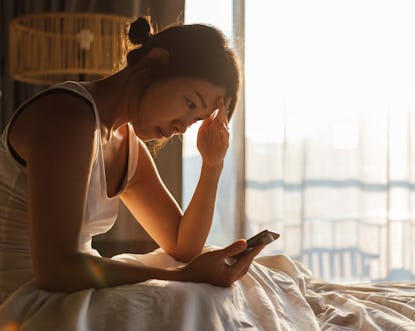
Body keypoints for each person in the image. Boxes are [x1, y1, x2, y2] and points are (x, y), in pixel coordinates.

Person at [0, 16, 265, 302]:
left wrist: (212, 164)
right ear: (154, 62)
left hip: (72, 288)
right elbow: (56, 269)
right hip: (22, 296)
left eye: (196, 119)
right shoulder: (69, 118)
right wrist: (183, 277)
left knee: (241, 288)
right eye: (190, 103)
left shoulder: (126, 145)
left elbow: (181, 244)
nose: (182, 127)